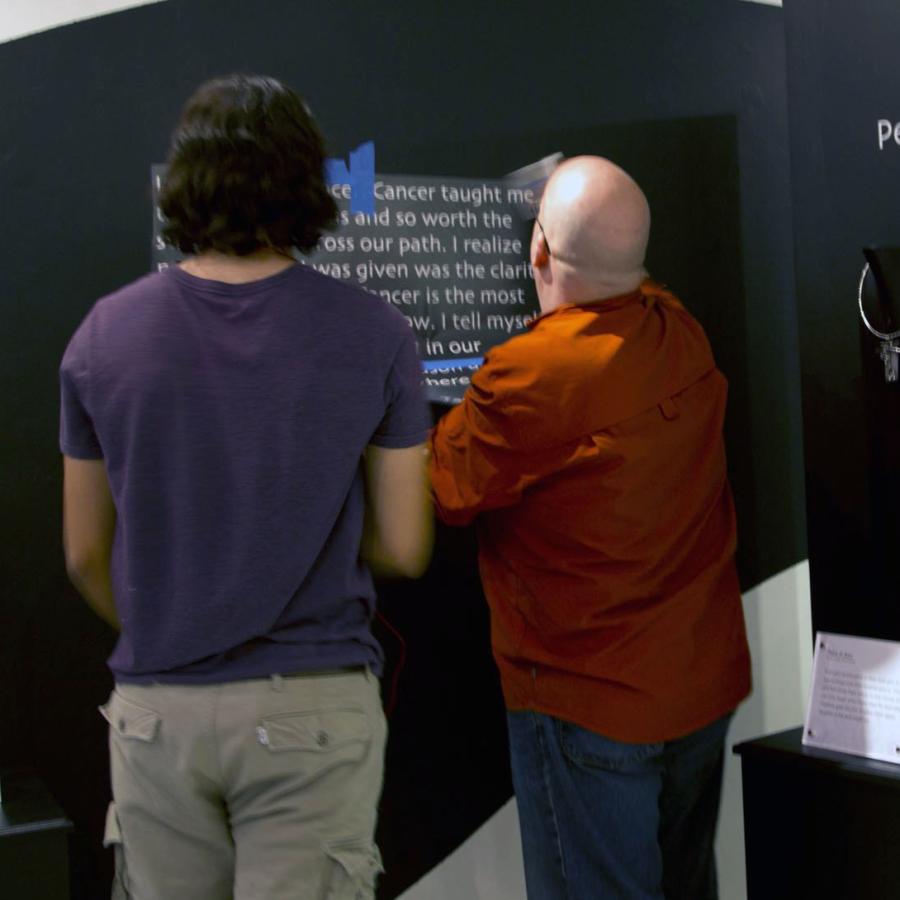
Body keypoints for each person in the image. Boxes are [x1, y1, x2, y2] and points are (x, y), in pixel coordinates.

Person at [59, 74, 432, 900]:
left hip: (160, 710)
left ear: (185, 181)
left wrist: (179, 620)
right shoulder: (375, 332)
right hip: (312, 707)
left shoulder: (102, 336)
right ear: (308, 183)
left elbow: (86, 553)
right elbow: (405, 546)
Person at [428, 156, 751, 900]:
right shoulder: (682, 333)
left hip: (589, 709)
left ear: (536, 250)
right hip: (699, 690)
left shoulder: (527, 377)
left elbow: (444, 487)